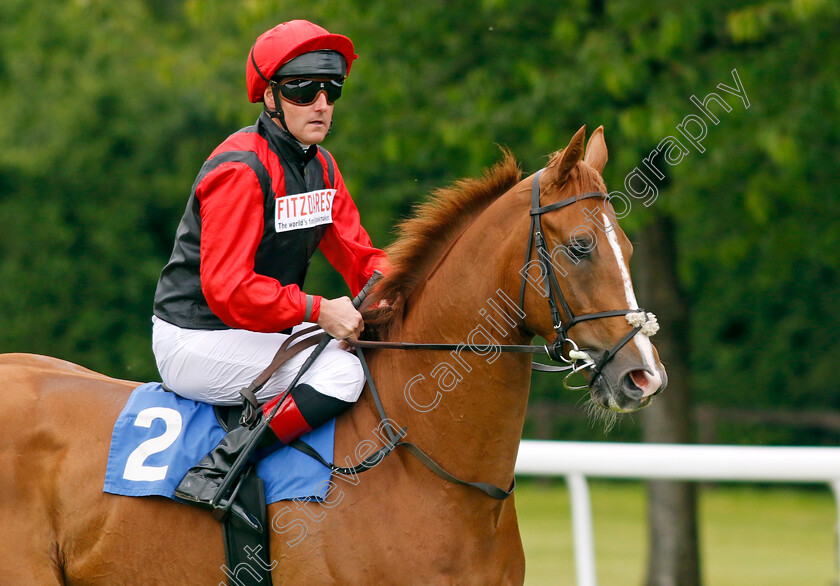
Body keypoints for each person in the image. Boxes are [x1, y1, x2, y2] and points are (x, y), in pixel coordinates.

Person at [151, 19, 387, 526]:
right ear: (271, 98)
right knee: (342, 372)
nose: (322, 103)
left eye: (332, 89)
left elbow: (360, 256)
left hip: (251, 330)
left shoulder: (321, 165)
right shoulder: (241, 170)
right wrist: (318, 309)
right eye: (304, 89)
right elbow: (227, 289)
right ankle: (222, 466)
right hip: (195, 335)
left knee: (368, 351)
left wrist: (401, 287)